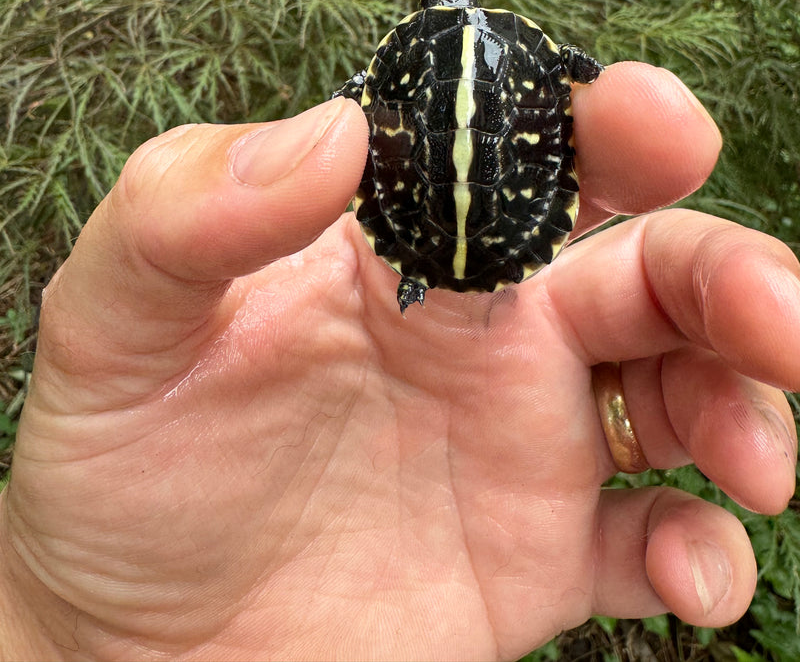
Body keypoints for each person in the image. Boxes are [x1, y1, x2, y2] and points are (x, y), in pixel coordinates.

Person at [0, 61, 798, 662]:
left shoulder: (421, 58)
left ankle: (427, 275)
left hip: (438, 235)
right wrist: (55, 619)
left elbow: (380, 95)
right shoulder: (517, 57)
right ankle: (447, 275)